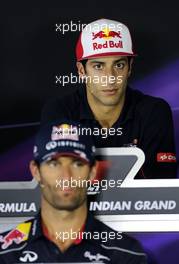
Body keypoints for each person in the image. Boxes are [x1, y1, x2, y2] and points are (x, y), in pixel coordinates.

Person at [41, 18, 177, 179]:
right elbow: (58, 183)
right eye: (98, 66)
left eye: (118, 65)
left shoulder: (153, 112)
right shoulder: (61, 112)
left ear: (130, 67)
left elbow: (160, 187)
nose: (110, 78)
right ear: (81, 70)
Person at [0, 120, 147, 263]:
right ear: (36, 171)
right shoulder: (5, 253)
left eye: (77, 164)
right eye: (54, 163)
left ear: (92, 172)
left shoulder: (125, 253)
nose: (66, 176)